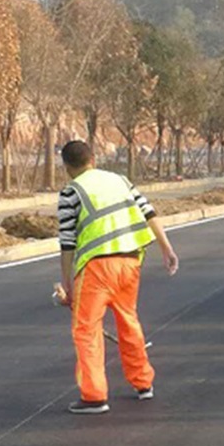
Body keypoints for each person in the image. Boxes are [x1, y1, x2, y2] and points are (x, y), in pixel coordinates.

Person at [56, 139, 179, 415]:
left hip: (97, 268)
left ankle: (94, 396)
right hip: (130, 262)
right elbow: (149, 213)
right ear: (94, 160)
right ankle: (143, 383)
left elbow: (67, 243)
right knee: (128, 320)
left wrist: (67, 284)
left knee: (86, 330)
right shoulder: (121, 181)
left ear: (66, 167)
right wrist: (167, 249)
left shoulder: (70, 192)